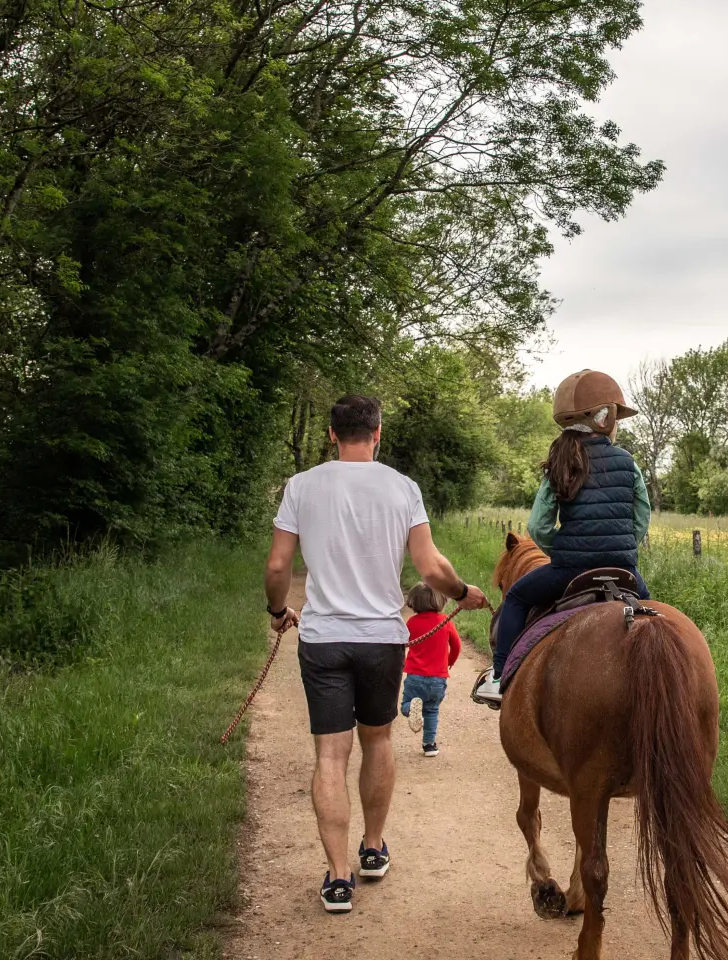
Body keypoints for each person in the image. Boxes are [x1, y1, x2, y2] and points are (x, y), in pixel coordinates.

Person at [263, 394, 487, 915]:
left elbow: (278, 567)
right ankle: (372, 849)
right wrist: (461, 593)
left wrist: (278, 611)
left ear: (331, 434)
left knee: (330, 755)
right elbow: (430, 567)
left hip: (323, 640)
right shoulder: (402, 489)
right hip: (382, 639)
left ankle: (338, 879)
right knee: (379, 740)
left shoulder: (301, 486)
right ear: (378, 432)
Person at [474, 370, 650, 704]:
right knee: (654, 615)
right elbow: (642, 516)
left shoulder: (560, 461)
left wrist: (568, 548)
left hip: (571, 570)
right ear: (605, 417)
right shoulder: (627, 462)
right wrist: (620, 546)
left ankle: (498, 678)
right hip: (623, 570)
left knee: (516, 599)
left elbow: (539, 527)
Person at [400, 582, 462, 757]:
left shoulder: (412, 622)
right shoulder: (445, 622)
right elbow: (456, 646)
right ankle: (429, 745)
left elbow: (401, 644)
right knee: (432, 710)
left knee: (406, 704)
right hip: (437, 678)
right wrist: (449, 662)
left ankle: (410, 709)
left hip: (415, 676)